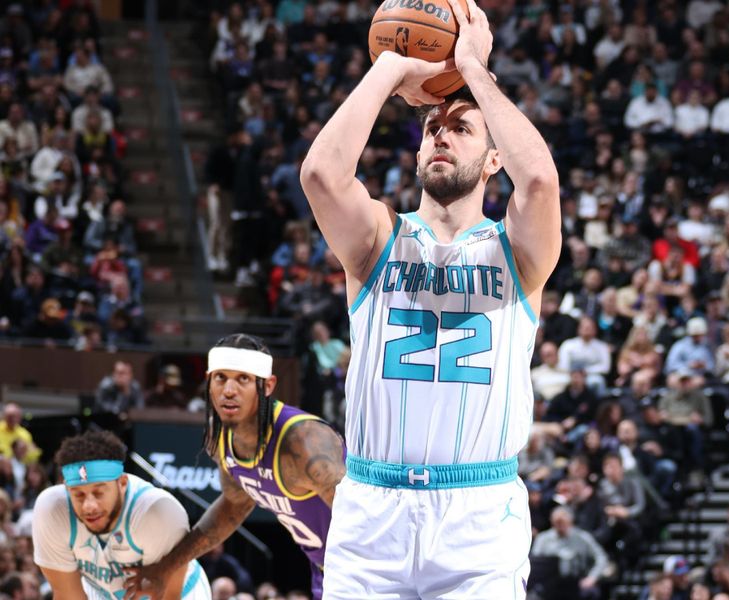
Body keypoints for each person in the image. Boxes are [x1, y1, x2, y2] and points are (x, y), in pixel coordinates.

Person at [299, 0, 560, 594]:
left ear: (495, 159)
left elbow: (541, 180)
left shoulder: (517, 253)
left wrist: (472, 70)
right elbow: (319, 175)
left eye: (462, 127)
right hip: (371, 512)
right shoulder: (376, 239)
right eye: (432, 128)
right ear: (417, 154)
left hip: (477, 514)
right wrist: (391, 66)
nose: (442, 135)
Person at [124, 334, 345, 600]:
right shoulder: (220, 438)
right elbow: (234, 504)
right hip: (327, 569)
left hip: (365, 567)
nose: (229, 390)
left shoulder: (304, 442)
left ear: (267, 386)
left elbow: (365, 517)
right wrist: (167, 568)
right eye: (221, 378)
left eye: (243, 379)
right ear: (209, 382)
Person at [31, 430, 212, 599]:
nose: (89, 506)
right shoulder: (52, 509)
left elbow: (169, 595)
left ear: (123, 483)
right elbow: (67, 595)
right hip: (102, 592)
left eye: (99, 493)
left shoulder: (157, 512)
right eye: (78, 494)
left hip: (181, 592)